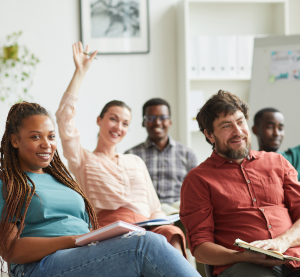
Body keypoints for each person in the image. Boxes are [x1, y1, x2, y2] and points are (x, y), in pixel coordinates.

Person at [0, 101, 201, 277]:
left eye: (51, 137)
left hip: (80, 254)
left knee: (150, 246)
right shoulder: (8, 183)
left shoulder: (62, 180)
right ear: (15, 140)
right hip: (38, 266)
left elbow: (85, 228)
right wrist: (72, 241)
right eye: (35, 137)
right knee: (145, 245)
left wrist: (93, 238)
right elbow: (10, 250)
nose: (47, 144)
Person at [55, 42, 187, 257]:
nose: (118, 127)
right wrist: (80, 72)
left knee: (172, 233)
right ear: (99, 120)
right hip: (112, 231)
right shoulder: (83, 159)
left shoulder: (135, 161)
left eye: (125, 123)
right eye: (113, 119)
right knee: (143, 244)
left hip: (148, 226)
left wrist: (161, 220)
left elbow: (154, 207)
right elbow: (63, 119)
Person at [180, 90, 300, 277]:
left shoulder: (278, 162)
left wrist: (283, 241)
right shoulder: (197, 179)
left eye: (240, 121)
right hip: (244, 267)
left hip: (294, 258)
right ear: (210, 135)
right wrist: (241, 256)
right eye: (226, 126)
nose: (238, 132)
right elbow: (200, 247)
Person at [125, 98, 198, 205]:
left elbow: (196, 192)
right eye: (150, 118)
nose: (157, 123)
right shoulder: (130, 156)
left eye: (163, 118)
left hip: (178, 214)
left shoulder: (188, 154)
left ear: (170, 122)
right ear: (143, 122)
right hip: (145, 214)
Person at [252, 107, 300, 181]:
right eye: (270, 127)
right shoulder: (249, 163)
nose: (276, 133)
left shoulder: (294, 157)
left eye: (280, 128)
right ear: (255, 130)